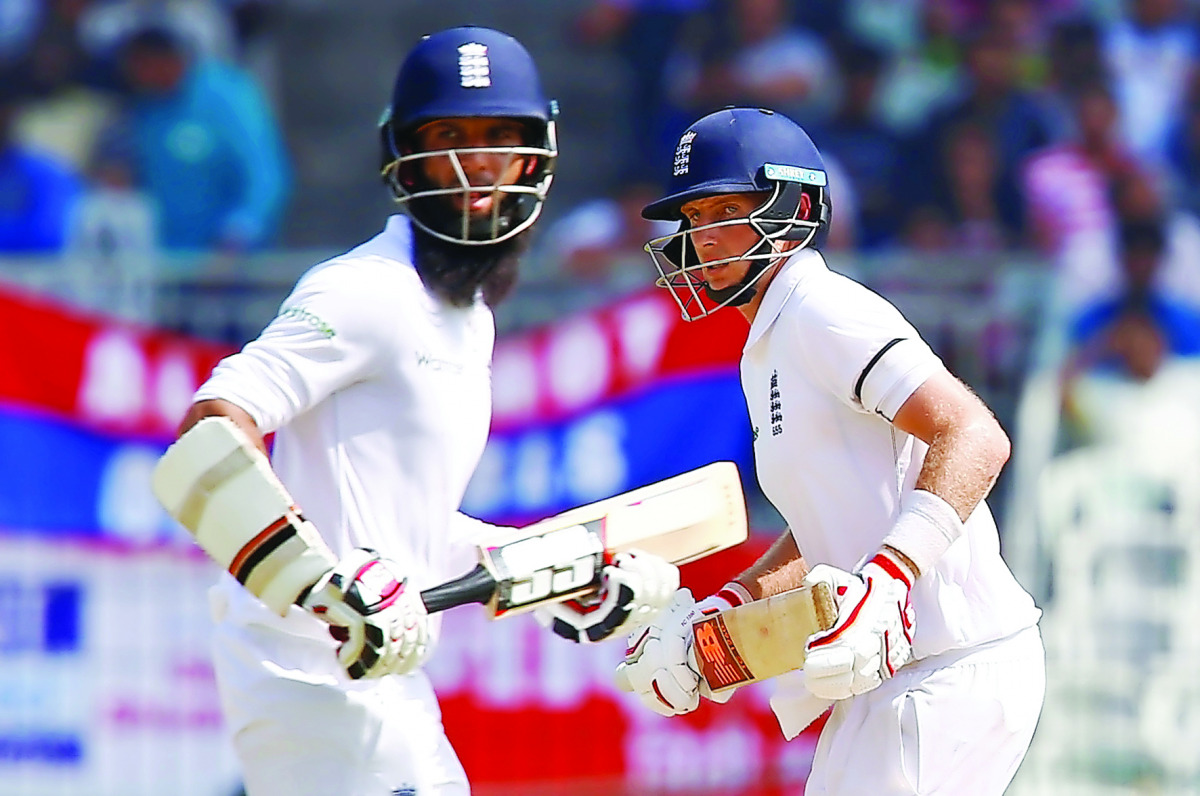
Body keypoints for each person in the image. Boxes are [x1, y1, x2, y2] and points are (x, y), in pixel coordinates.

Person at [163, 27, 677, 796]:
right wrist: (325, 586)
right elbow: (210, 430)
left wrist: (555, 576)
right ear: (401, 155)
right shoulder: (364, 290)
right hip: (310, 677)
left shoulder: (467, 317)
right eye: (449, 139)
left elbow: (406, 532)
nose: (476, 169)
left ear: (537, 155)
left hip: (379, 682)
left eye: (499, 138)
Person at [616, 106, 1045, 794]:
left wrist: (889, 577)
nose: (707, 238)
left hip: (949, 666)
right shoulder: (767, 343)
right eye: (695, 219)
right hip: (896, 673)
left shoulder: (823, 310)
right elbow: (830, 523)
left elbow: (973, 435)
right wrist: (726, 607)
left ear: (796, 206)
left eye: (727, 209)